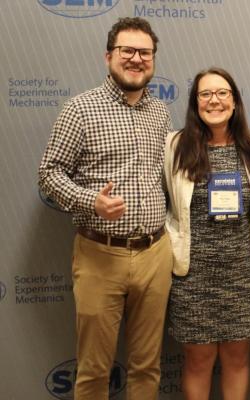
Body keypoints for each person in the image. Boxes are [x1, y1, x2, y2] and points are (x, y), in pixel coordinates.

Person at [38, 17, 172, 399]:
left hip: (155, 253)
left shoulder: (160, 112)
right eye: (127, 50)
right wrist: (91, 201)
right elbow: (48, 173)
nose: (136, 59)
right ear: (108, 56)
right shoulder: (80, 109)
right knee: (95, 369)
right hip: (100, 254)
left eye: (144, 52)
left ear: (153, 58)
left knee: (147, 365)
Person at [163, 67, 250, 400]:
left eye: (222, 93)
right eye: (205, 94)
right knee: (198, 362)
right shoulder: (175, 147)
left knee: (237, 360)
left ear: (234, 101)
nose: (214, 101)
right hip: (192, 277)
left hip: (242, 275)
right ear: (195, 102)